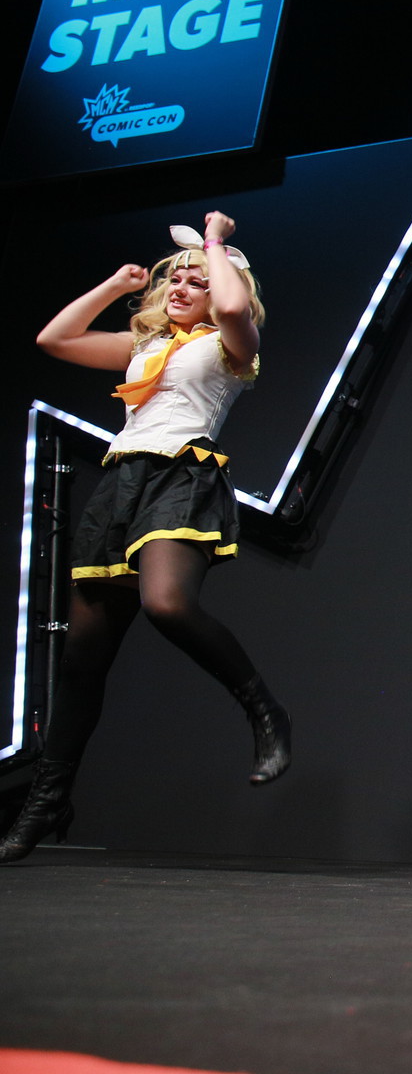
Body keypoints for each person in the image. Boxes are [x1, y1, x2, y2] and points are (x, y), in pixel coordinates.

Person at [1, 211, 291, 865]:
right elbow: (54, 338)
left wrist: (215, 242)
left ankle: (266, 711)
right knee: (82, 661)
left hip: (181, 475)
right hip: (120, 485)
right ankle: (47, 801)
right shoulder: (146, 349)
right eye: (176, 279)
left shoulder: (231, 346)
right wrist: (114, 286)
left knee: (166, 603)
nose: (183, 287)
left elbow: (232, 304)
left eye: (197, 281)